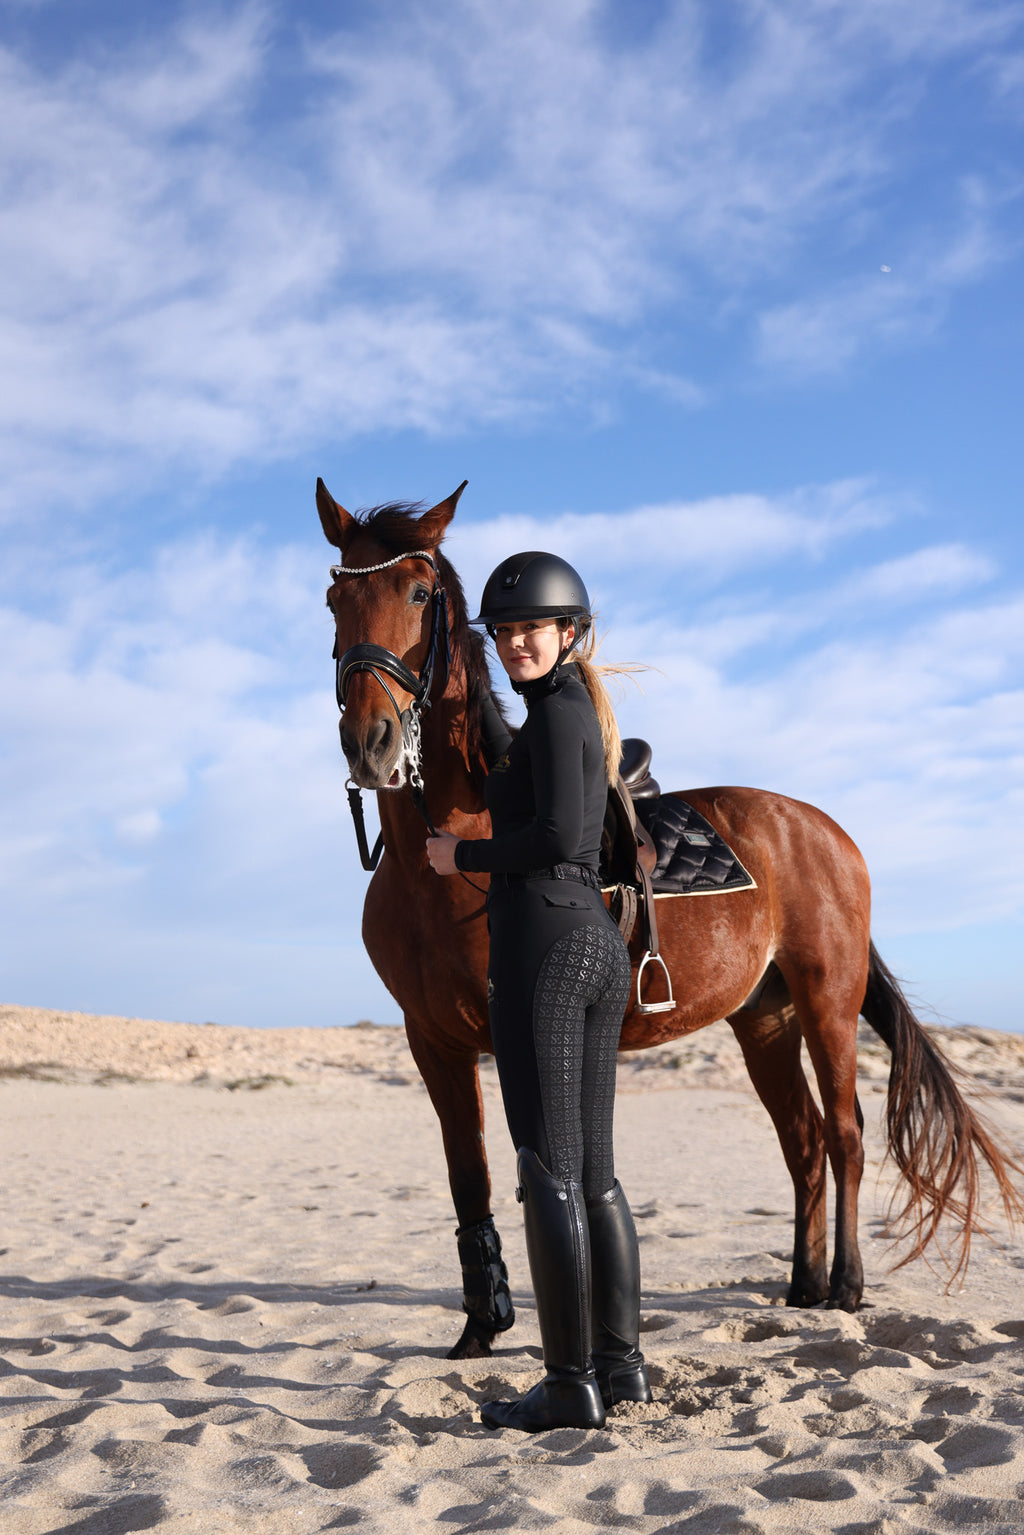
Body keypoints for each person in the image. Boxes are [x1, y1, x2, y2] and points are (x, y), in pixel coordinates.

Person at [426, 551, 652, 1433]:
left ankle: (566, 1383)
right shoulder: (562, 711)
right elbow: (514, 762)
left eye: (534, 628)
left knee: (545, 1171)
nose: (519, 640)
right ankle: (619, 1365)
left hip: (544, 948)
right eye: (506, 630)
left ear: (570, 632)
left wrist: (462, 856)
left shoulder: (560, 712)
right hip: (590, 943)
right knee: (592, 1172)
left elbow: (557, 831)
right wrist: (467, 676)